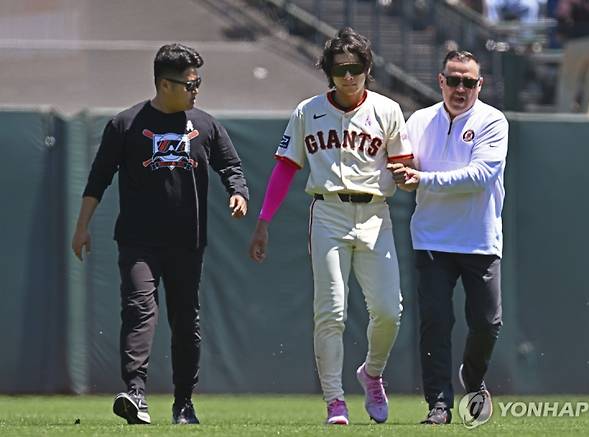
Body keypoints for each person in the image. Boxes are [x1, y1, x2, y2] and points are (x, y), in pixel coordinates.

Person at [71, 43, 249, 425]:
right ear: (164, 84)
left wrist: (238, 192)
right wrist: (82, 226)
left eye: (198, 82)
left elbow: (231, 166)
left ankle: (184, 404)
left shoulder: (205, 125)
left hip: (188, 242)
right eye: (190, 83)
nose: (196, 89)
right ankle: (136, 395)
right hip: (138, 241)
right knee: (139, 311)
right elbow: (99, 178)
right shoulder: (125, 124)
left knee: (186, 322)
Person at [248, 27, 413, 425]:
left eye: (356, 68)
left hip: (375, 215)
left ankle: (371, 374)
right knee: (332, 311)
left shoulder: (387, 110)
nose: (349, 76)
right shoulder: (308, 111)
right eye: (340, 69)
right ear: (328, 71)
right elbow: (286, 168)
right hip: (329, 213)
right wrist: (263, 221)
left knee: (390, 311)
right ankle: (335, 401)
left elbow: (403, 164)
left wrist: (407, 175)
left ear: (367, 68)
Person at [388, 50, 507, 425]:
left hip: (479, 239)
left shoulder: (493, 121)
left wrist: (422, 179)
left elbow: (480, 175)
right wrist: (403, 177)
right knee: (435, 323)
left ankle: (472, 377)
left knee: (487, 323)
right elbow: (403, 168)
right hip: (432, 238)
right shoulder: (420, 121)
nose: (460, 89)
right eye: (453, 80)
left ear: (479, 85)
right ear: (440, 81)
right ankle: (438, 404)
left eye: (468, 82)